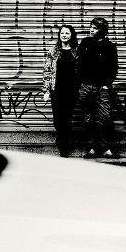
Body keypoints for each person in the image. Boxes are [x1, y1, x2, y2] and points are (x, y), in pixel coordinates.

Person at [77, 16, 119, 158]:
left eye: (94, 28)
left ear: (102, 30)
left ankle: (105, 147)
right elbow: (78, 63)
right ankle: (93, 147)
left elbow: (114, 68)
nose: (91, 30)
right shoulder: (85, 43)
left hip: (102, 88)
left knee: (104, 118)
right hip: (86, 86)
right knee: (88, 118)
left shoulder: (110, 47)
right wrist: (81, 84)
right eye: (91, 27)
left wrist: (107, 85)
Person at [43, 25, 80, 156]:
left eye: (67, 33)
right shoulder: (53, 51)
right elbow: (47, 71)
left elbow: (81, 71)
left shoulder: (77, 51)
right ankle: (61, 137)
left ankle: (65, 146)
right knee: (58, 119)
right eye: (62, 33)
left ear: (71, 35)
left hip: (71, 90)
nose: (64, 35)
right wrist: (46, 90)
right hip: (56, 90)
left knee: (67, 118)